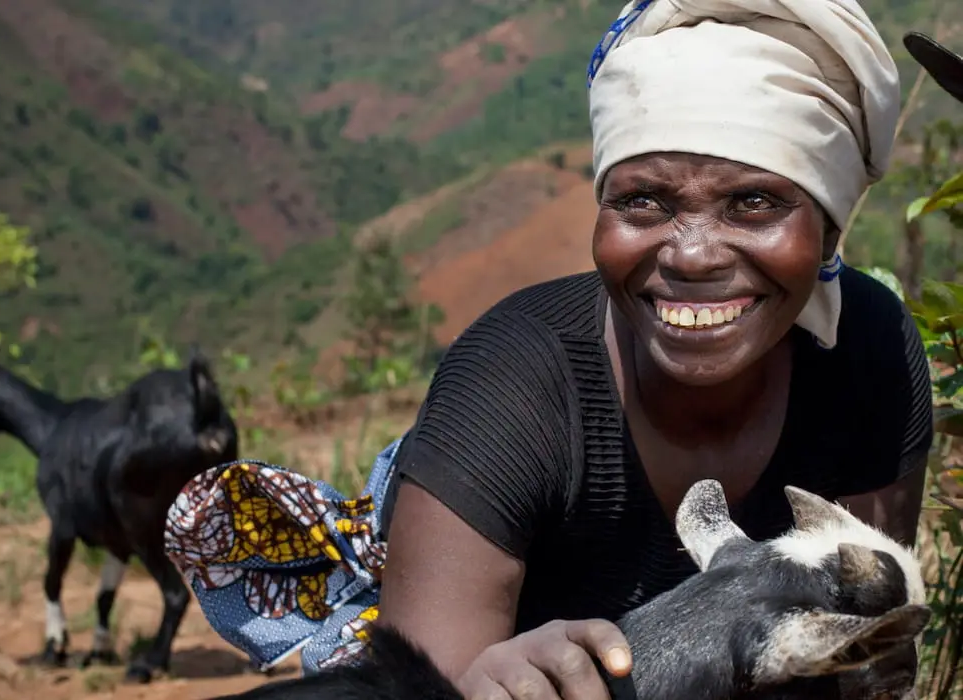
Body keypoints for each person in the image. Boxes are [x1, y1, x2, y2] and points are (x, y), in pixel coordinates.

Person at [164, 0, 939, 697]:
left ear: (829, 229)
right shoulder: (516, 384)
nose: (692, 254)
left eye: (756, 203)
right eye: (643, 201)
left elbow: (864, 654)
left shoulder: (867, 357)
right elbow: (419, 686)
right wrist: (475, 681)